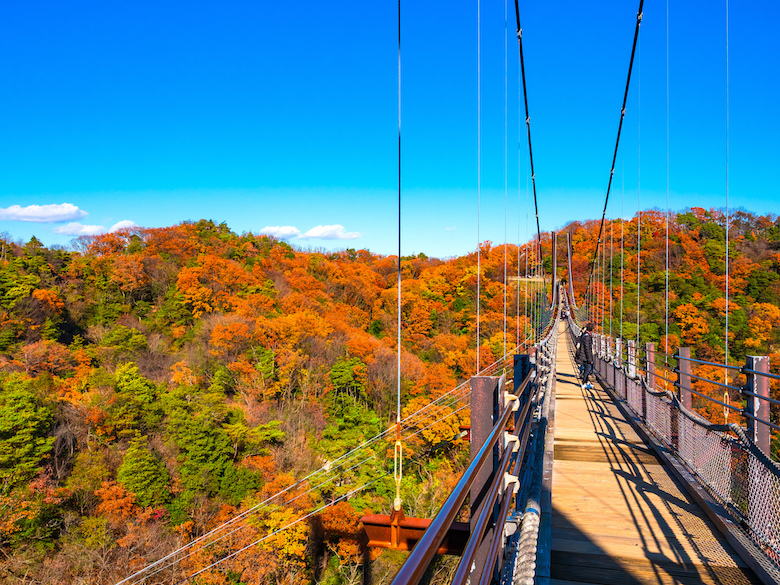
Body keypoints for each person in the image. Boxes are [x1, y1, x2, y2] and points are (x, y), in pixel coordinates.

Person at [574, 322, 595, 390]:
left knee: (587, 368)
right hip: (585, 356)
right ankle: (584, 383)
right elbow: (587, 349)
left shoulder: (586, 335)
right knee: (588, 369)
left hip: (585, 356)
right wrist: (590, 359)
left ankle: (586, 382)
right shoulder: (587, 337)